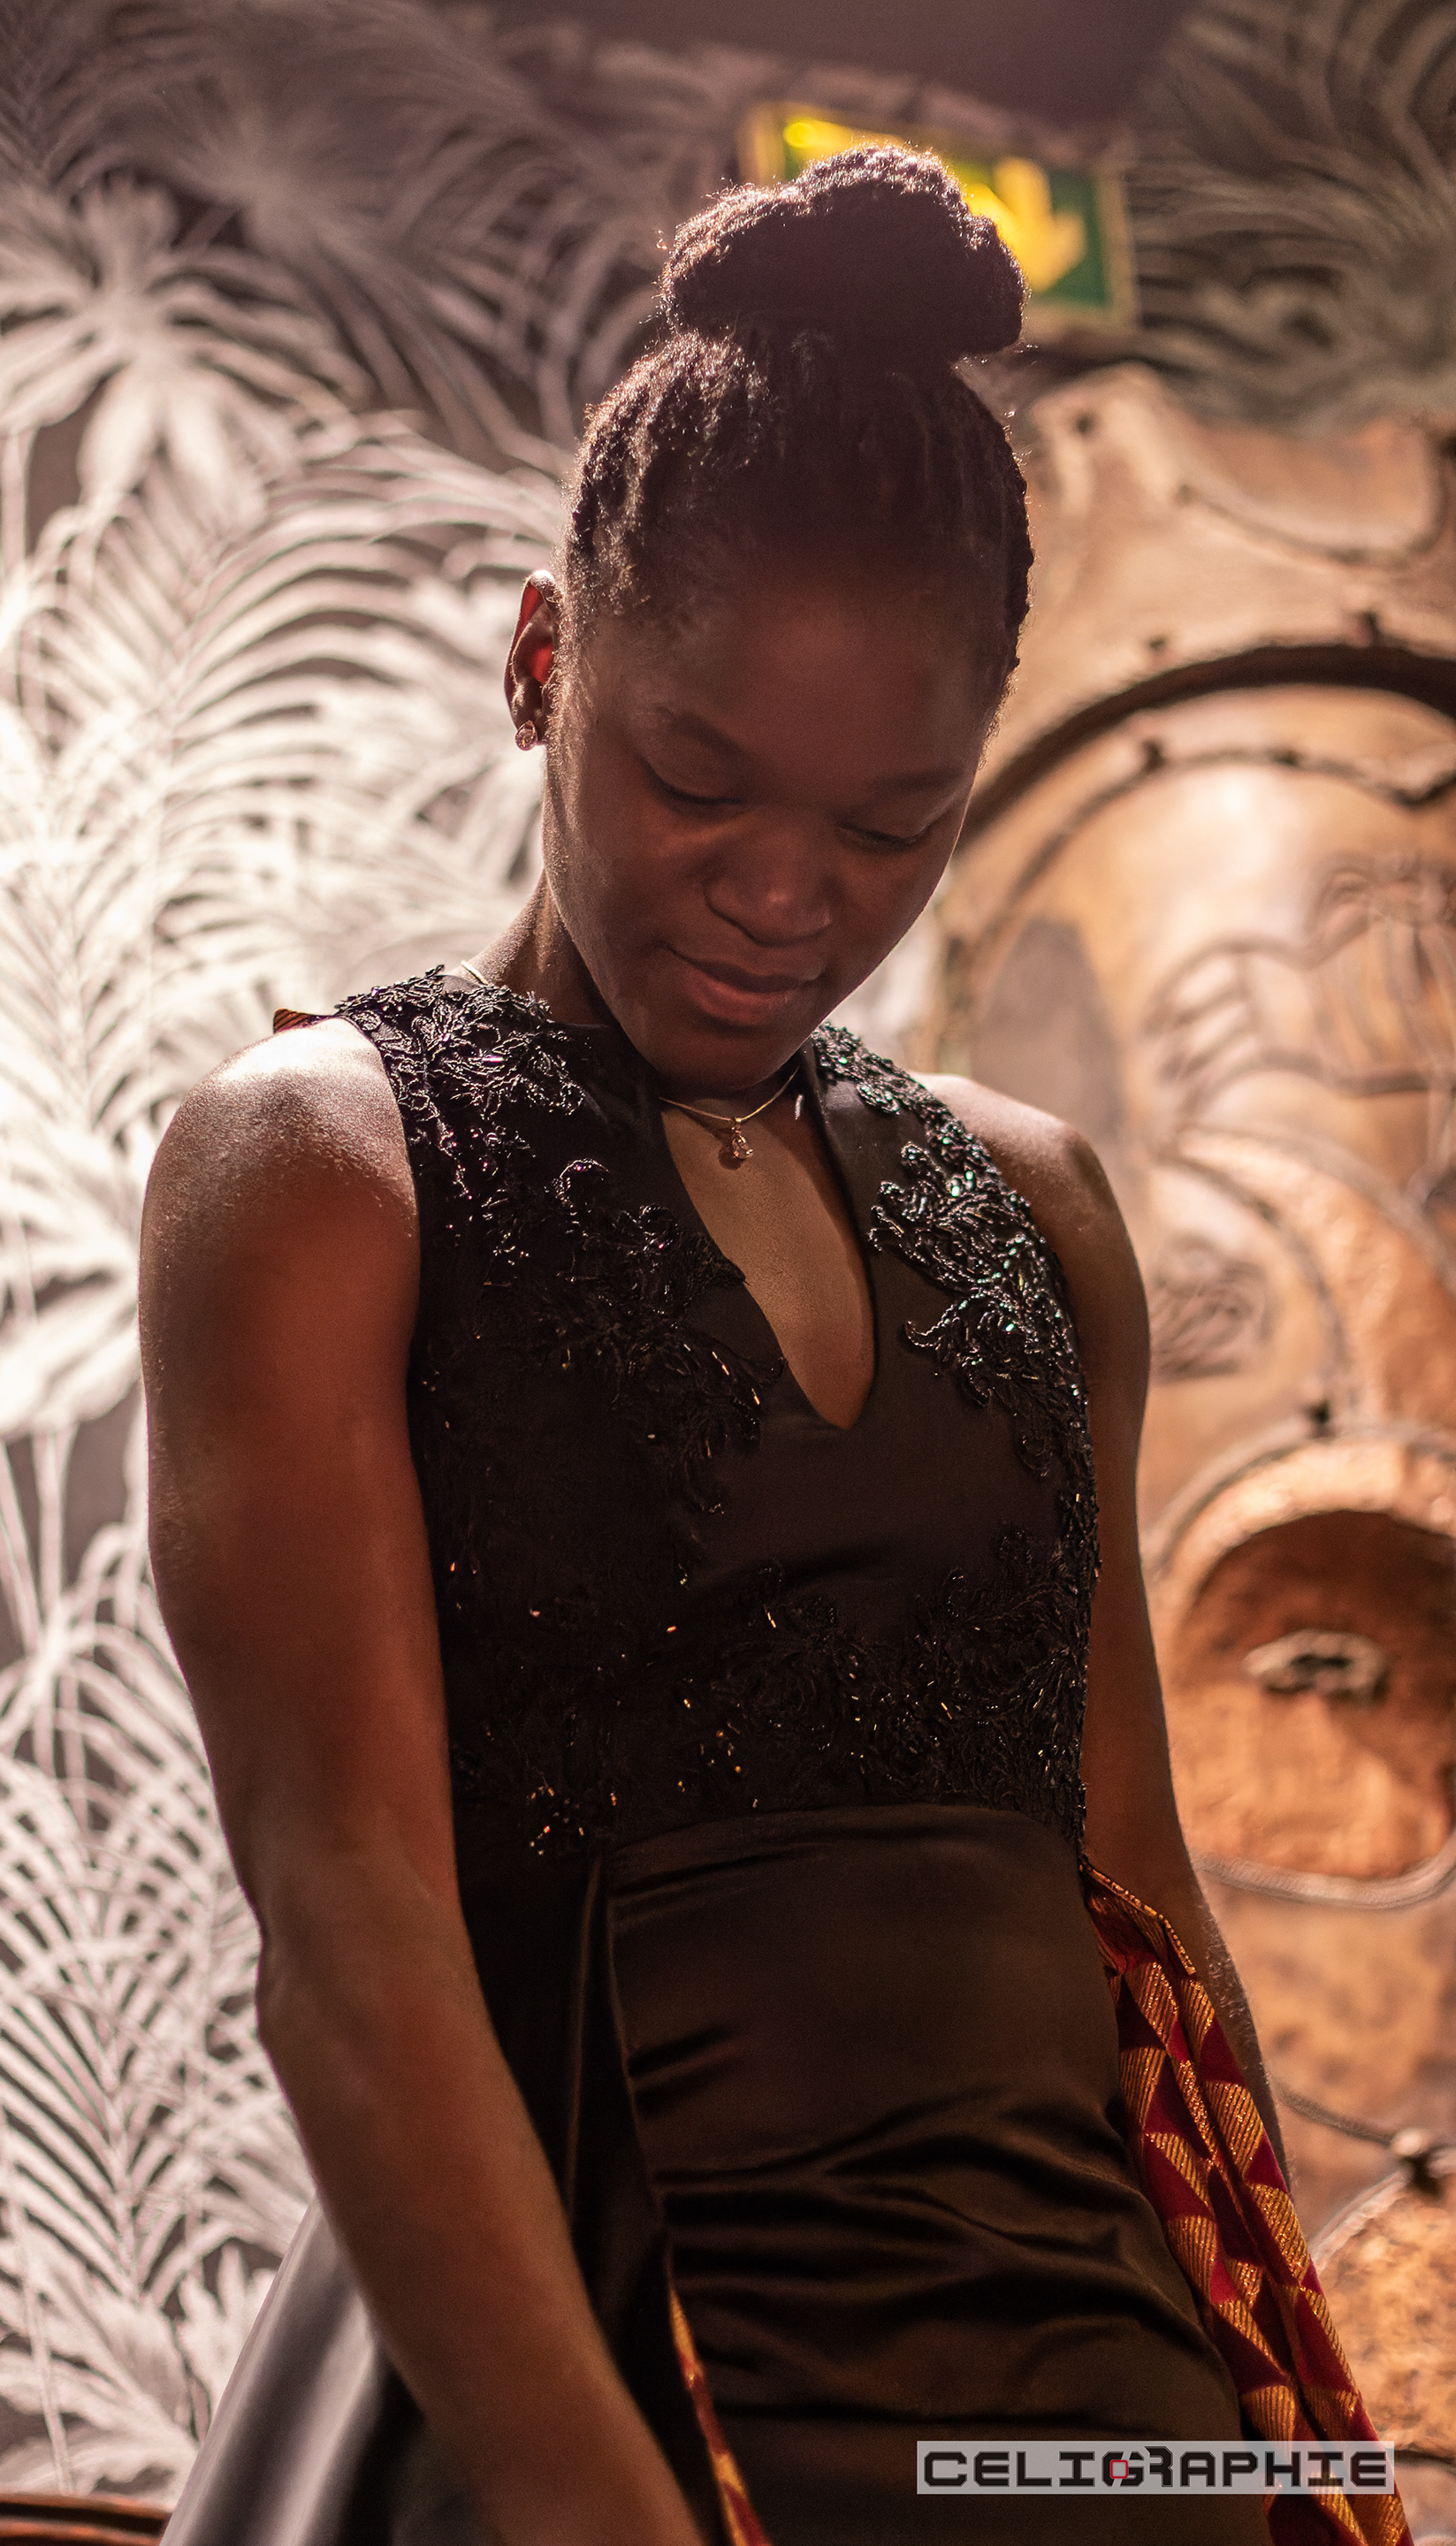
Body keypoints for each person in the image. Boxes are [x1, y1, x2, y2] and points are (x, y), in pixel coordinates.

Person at [141, 148, 1392, 2546]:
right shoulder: (320, 1172)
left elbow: (1132, 1890)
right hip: (596, 2390)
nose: (787, 900)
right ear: (543, 663)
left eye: (894, 824)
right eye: (696, 781)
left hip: (1074, 2412)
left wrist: (1282, 2433)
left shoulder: (1040, 1214)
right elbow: (352, 1928)